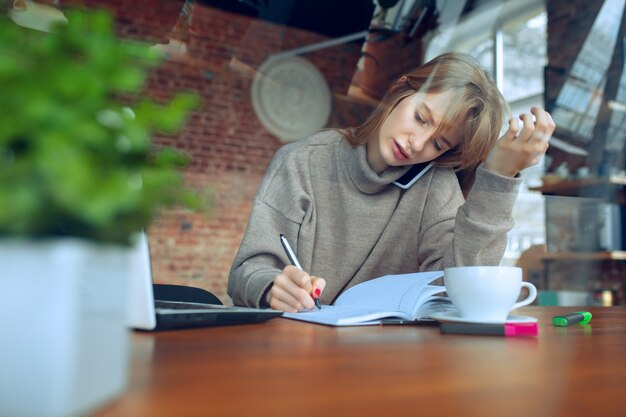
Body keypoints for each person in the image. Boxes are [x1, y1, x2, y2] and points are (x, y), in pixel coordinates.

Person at [228, 52, 555, 312]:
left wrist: (498, 178)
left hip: (388, 362)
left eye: (438, 144)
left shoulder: (434, 185)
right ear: (401, 90)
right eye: (420, 118)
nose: (417, 143)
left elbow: (463, 287)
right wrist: (273, 287)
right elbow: (248, 271)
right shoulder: (301, 161)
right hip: (296, 352)